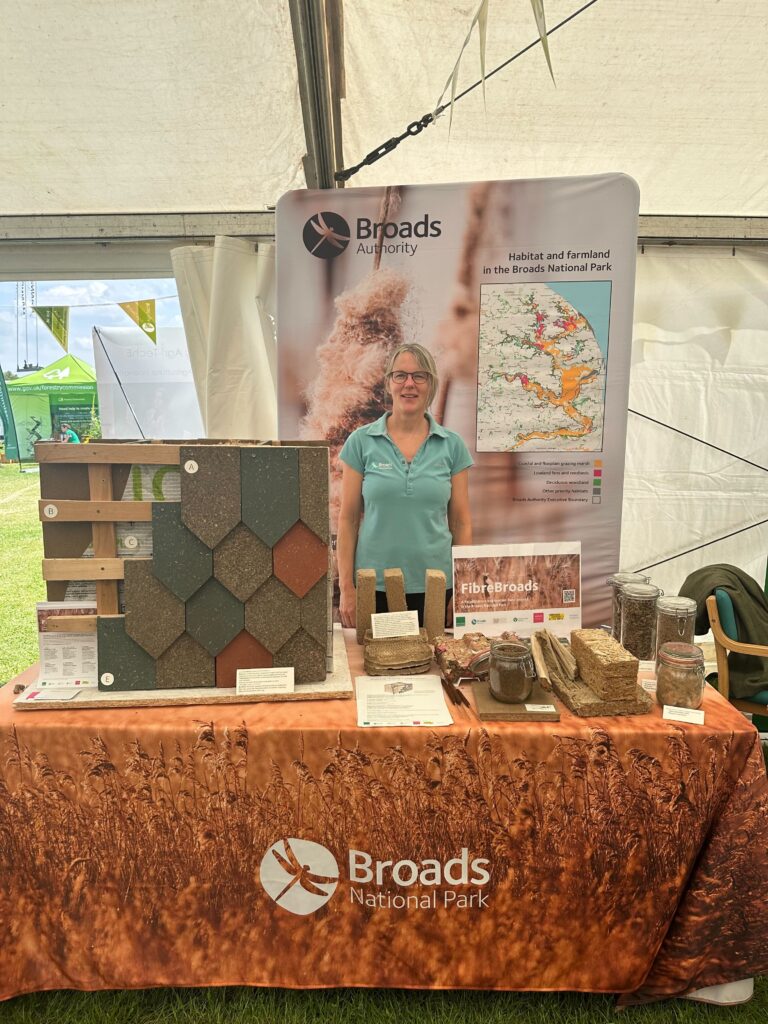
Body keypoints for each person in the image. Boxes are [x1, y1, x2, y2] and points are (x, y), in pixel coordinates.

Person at [337, 343, 473, 628]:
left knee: (435, 669)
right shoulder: (361, 442)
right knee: (373, 667)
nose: (409, 384)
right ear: (389, 383)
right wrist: (347, 589)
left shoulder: (452, 446)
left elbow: (461, 522)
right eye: (400, 376)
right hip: (373, 588)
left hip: (437, 588)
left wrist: (462, 589)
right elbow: (348, 520)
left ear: (431, 384)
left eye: (419, 376)